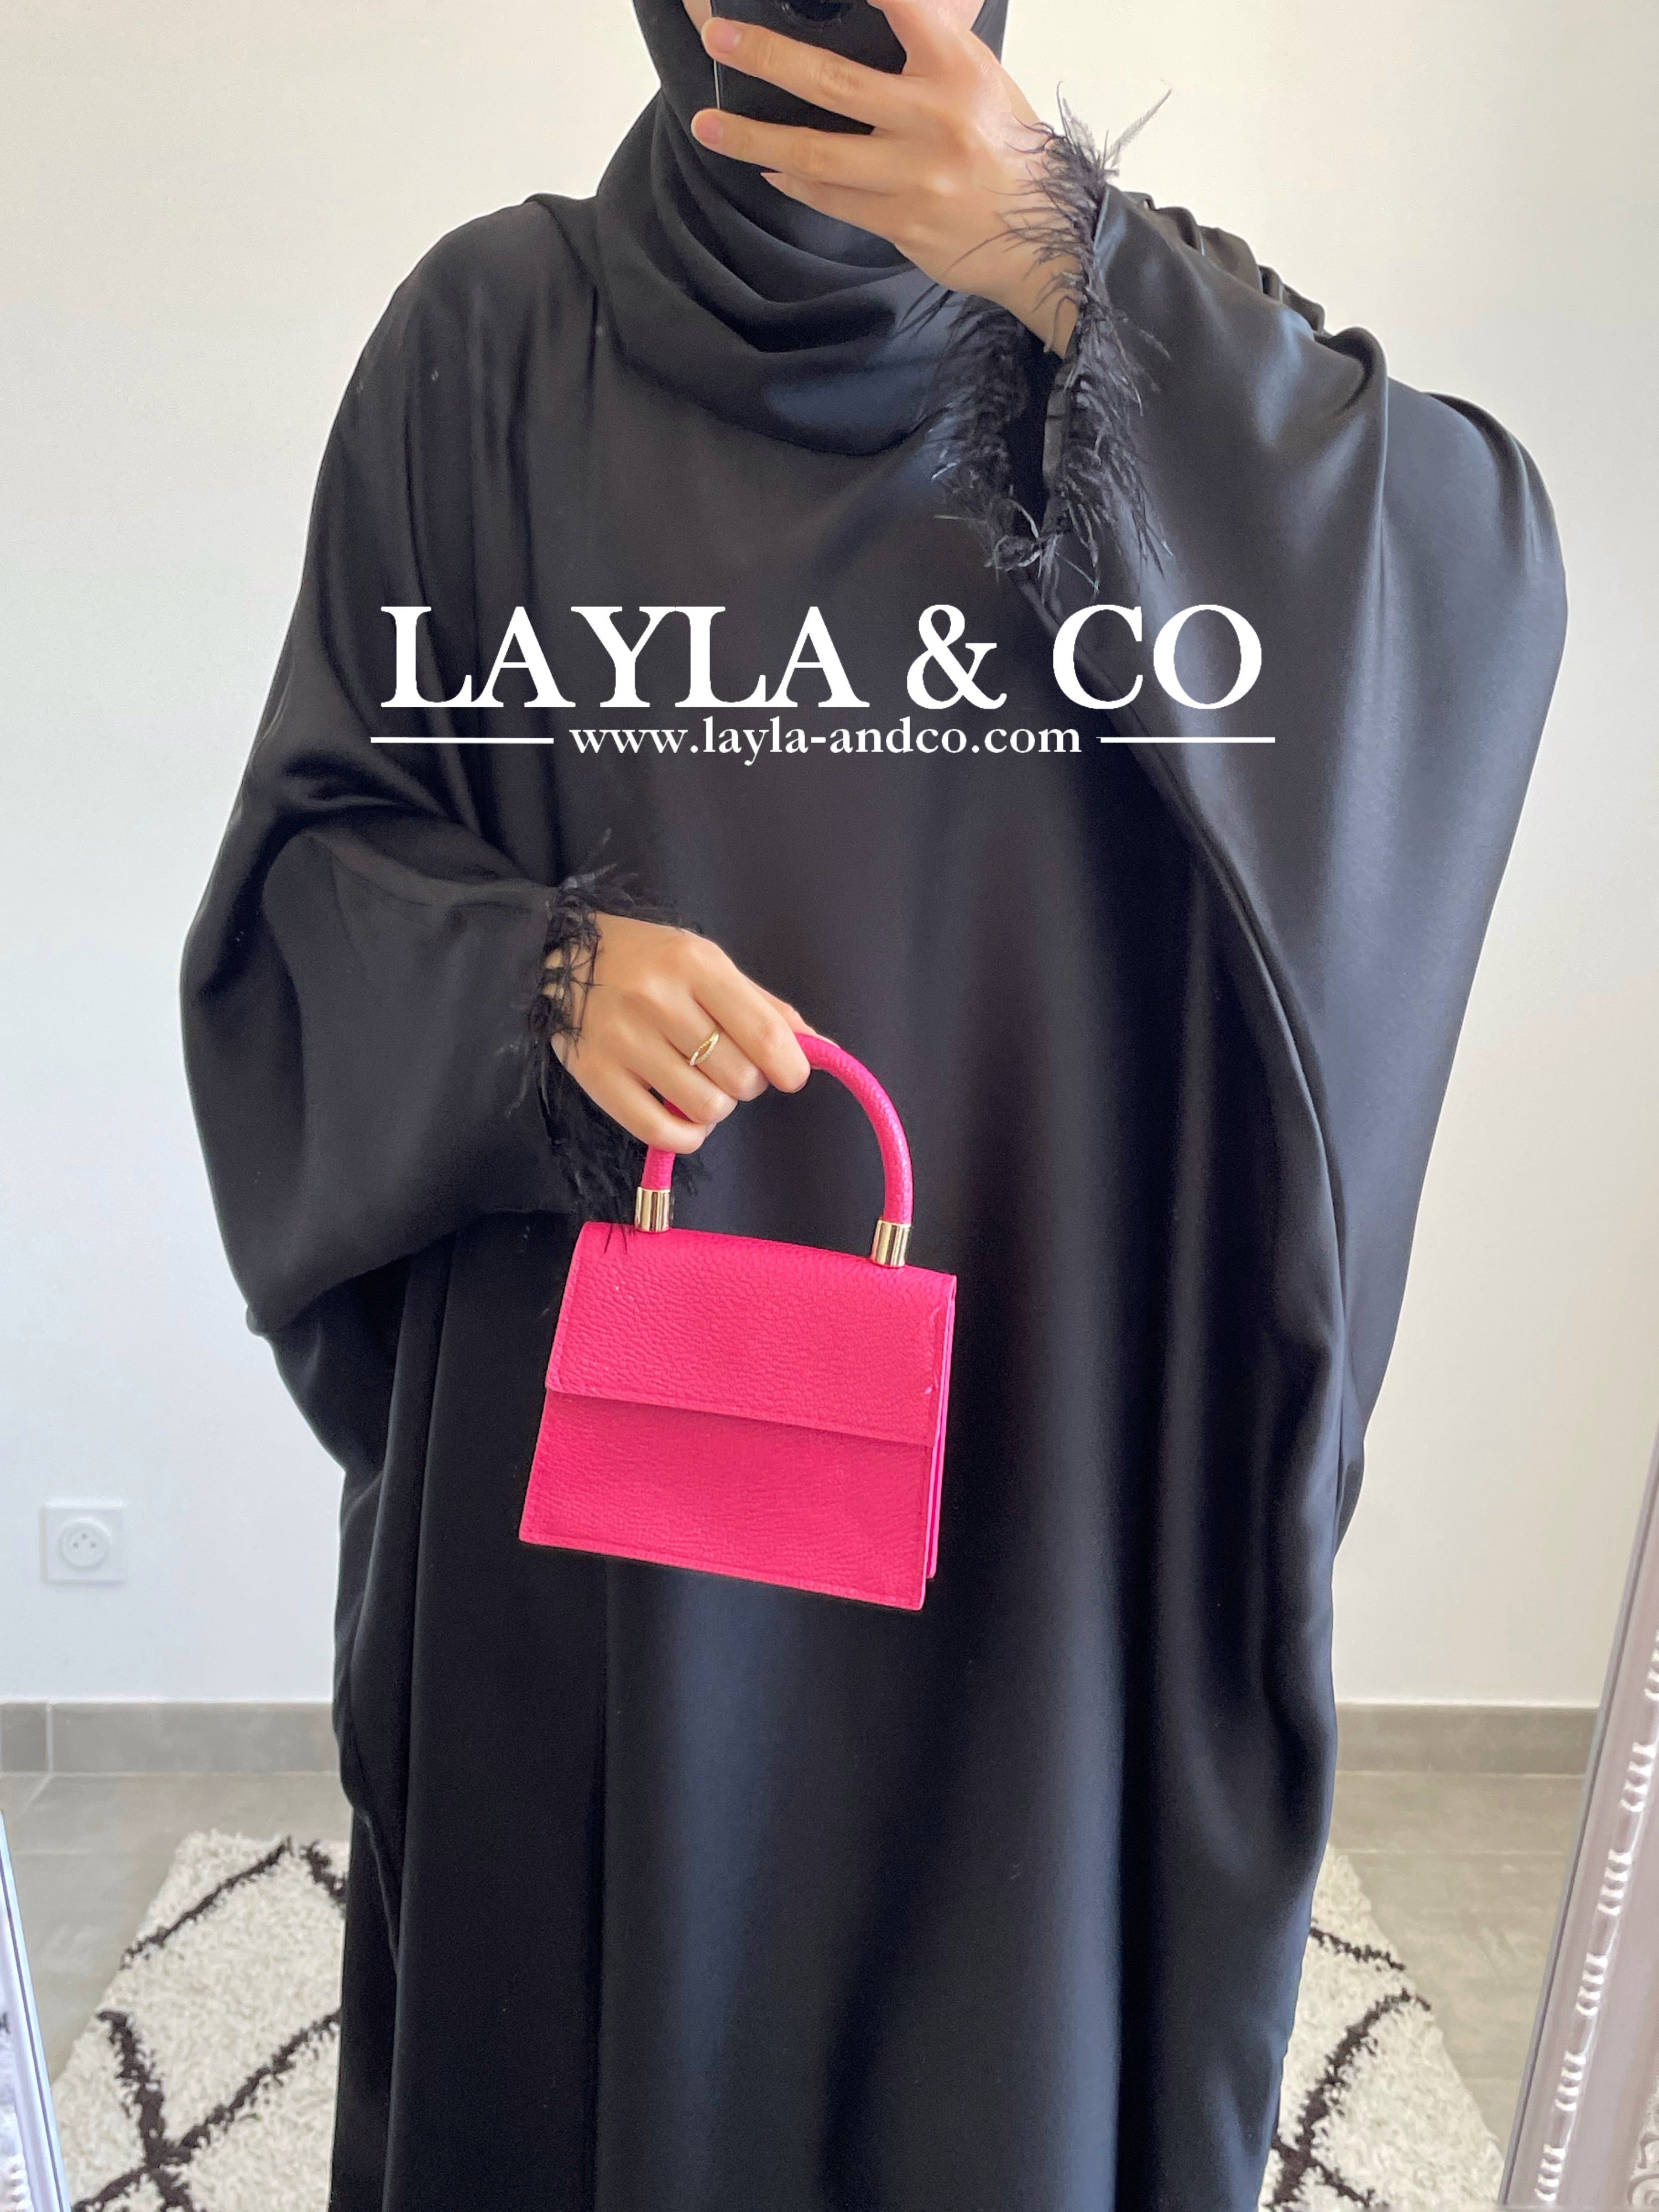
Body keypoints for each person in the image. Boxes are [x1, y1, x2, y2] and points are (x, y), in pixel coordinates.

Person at [180, 1, 1567, 2205]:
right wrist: (533, 980)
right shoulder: (495, 342)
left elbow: (1470, 587)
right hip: (594, 1478)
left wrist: (1077, 270)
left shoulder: (1131, 335)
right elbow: (303, 882)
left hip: (1028, 1458)